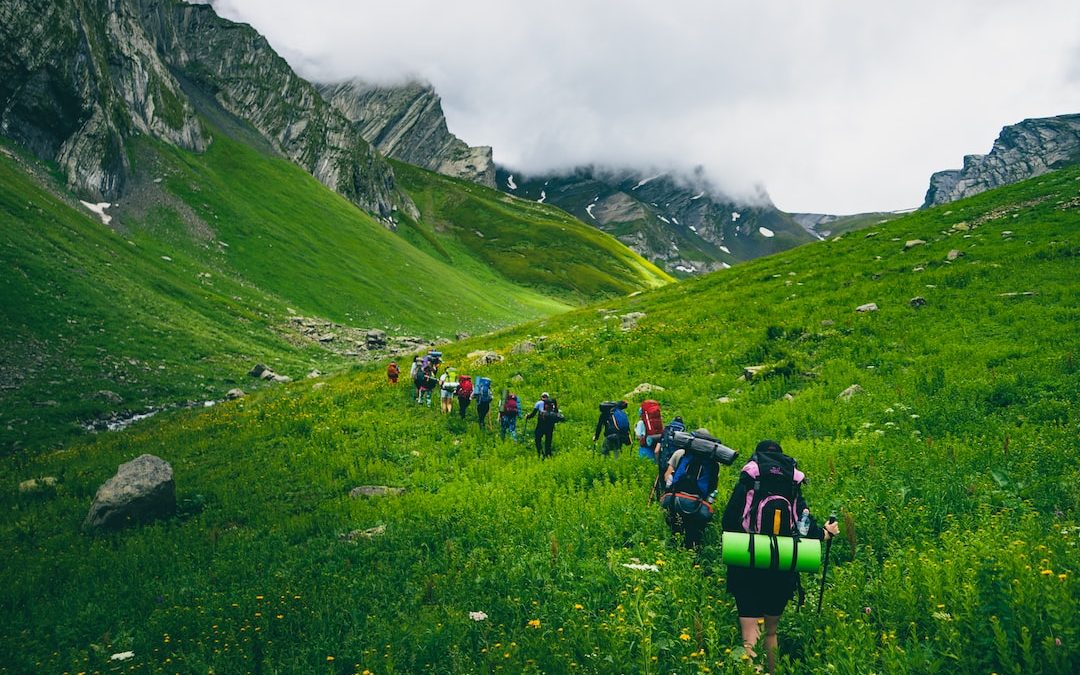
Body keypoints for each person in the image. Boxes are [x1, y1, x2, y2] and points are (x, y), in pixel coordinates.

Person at [720, 440, 839, 673]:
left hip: (747, 563)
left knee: (750, 634)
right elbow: (806, 529)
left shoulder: (750, 479)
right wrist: (826, 533)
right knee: (771, 632)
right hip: (781, 565)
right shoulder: (791, 485)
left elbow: (729, 521)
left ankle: (753, 669)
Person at [660, 427, 721, 549]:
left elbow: (667, 475)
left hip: (674, 499)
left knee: (674, 531)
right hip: (697, 505)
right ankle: (692, 555)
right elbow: (712, 487)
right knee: (693, 536)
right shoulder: (714, 463)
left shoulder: (680, 453)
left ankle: (672, 551)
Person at [525, 392, 560, 459]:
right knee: (548, 440)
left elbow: (533, 414)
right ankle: (548, 454)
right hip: (550, 425)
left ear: (541, 397)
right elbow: (556, 413)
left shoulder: (539, 403)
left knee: (537, 439)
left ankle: (541, 453)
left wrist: (528, 416)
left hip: (541, 424)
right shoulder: (552, 404)